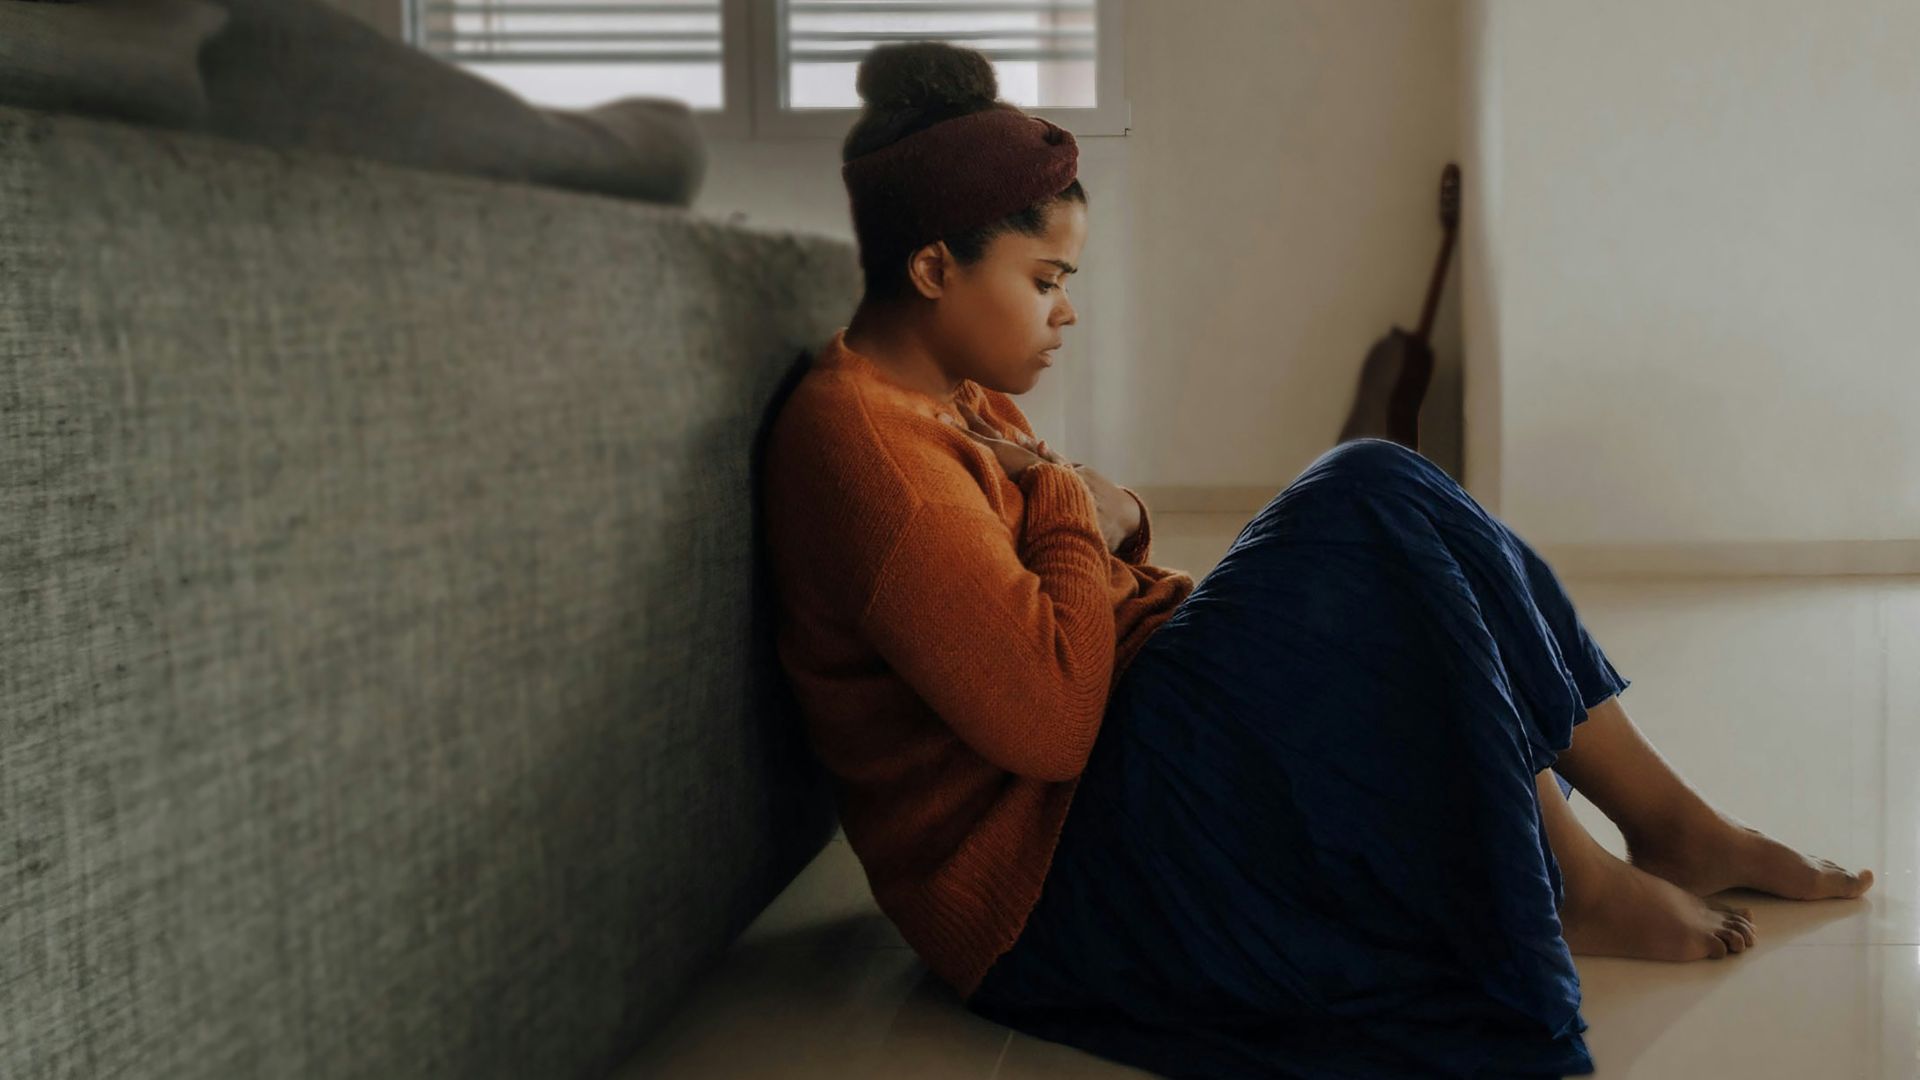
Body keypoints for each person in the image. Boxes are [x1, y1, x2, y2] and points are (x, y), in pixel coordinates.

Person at [759, 40, 1874, 1079]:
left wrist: (1109, 515)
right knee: (1365, 495)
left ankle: (1668, 828)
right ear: (932, 266)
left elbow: (1081, 553)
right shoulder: (866, 450)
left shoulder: (949, 391)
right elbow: (1048, 721)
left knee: (1383, 493)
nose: (1066, 315)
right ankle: (1571, 884)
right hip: (1049, 882)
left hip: (1112, 763)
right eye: (1046, 281)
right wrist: (1063, 495)